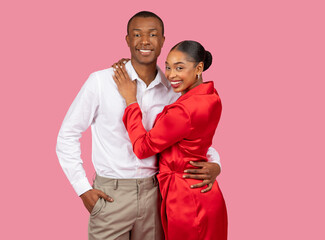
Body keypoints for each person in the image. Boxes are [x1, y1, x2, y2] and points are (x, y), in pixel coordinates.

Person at [56, 11, 222, 240]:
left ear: (163, 40)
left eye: (153, 34)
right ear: (127, 40)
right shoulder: (101, 82)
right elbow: (67, 134)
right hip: (111, 195)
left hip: (156, 194)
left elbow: (191, 138)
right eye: (137, 34)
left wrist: (216, 164)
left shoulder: (174, 90)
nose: (145, 41)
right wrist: (82, 189)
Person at [113, 40, 227, 240]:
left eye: (179, 68)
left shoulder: (183, 110)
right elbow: (198, 141)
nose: (171, 74)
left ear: (199, 68)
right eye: (168, 66)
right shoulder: (211, 96)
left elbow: (142, 147)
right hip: (203, 194)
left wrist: (130, 101)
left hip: (186, 199)